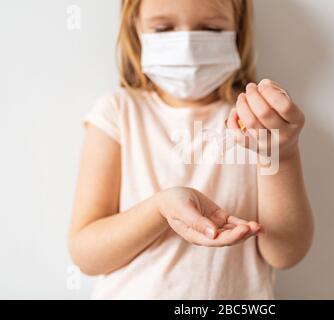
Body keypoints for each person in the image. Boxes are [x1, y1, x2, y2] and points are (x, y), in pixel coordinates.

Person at [68, 0, 314, 299]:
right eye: (163, 28)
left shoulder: (257, 122)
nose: (186, 46)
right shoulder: (117, 113)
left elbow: (285, 254)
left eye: (210, 28)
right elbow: (87, 255)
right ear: (135, 27)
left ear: (238, 30)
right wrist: (160, 210)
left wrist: (282, 153)